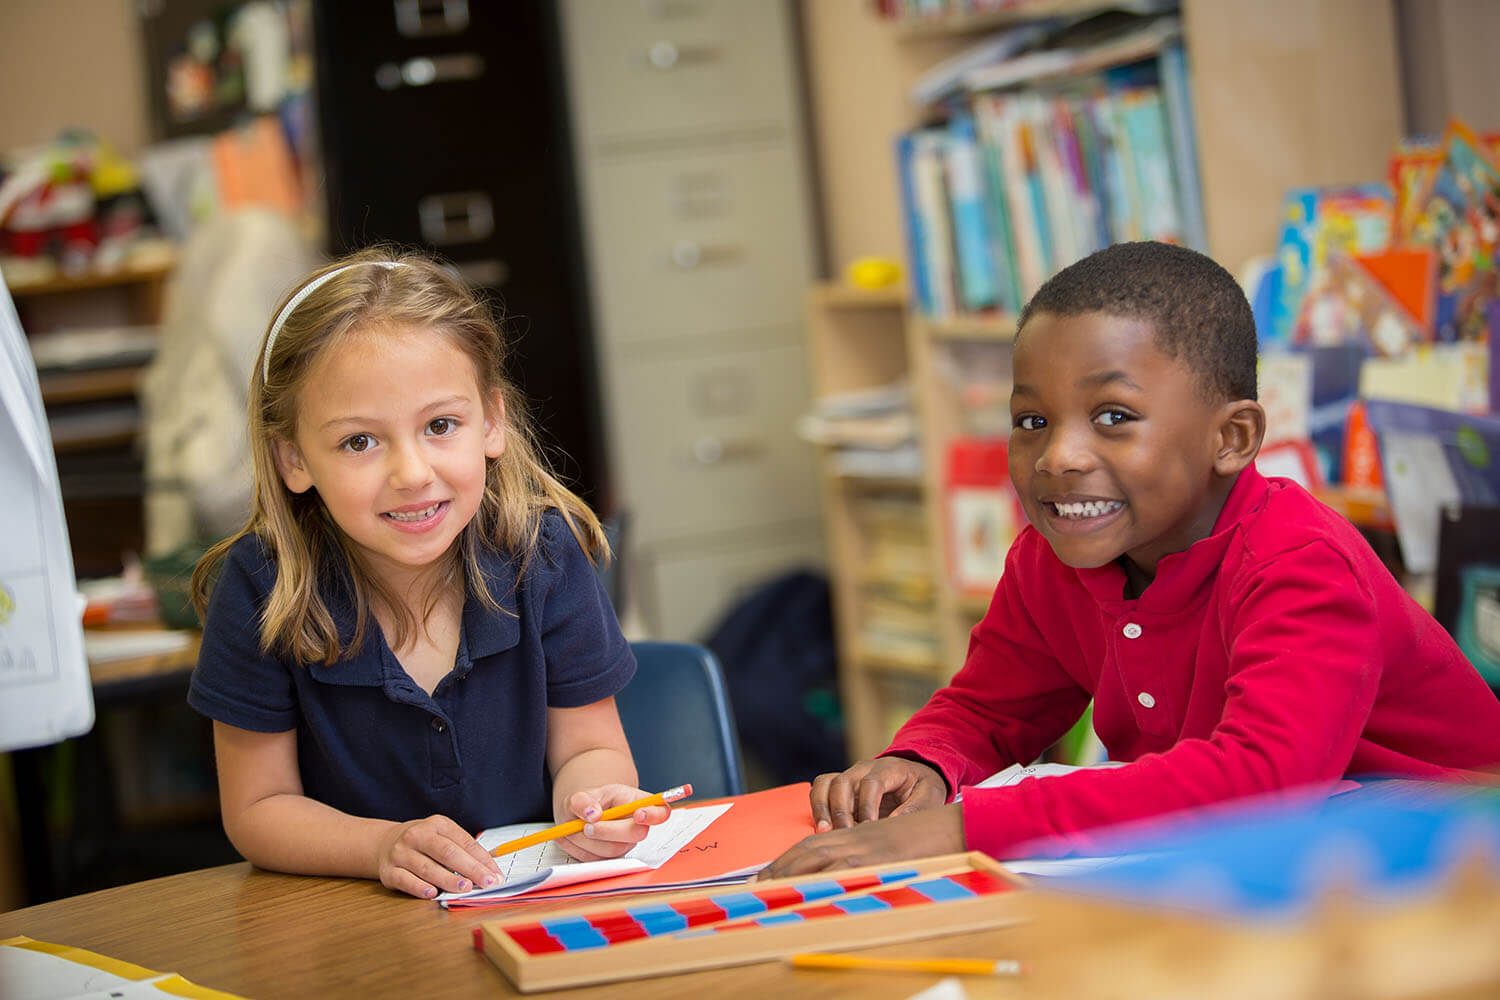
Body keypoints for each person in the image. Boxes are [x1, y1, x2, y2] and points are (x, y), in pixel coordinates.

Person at [763, 241, 1500, 878]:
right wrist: (924, 766)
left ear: (1233, 438)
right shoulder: (1053, 561)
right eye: (1031, 420)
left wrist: (960, 828)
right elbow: (990, 707)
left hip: (1446, 864)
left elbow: (1262, 779)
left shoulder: (1300, 565)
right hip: (1266, 861)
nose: (1059, 456)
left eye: (1113, 417)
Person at [187, 249, 664, 899]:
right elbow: (258, 809)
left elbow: (588, 747)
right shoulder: (257, 586)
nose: (411, 473)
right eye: (360, 441)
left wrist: (589, 806)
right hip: (351, 928)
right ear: (293, 457)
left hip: (527, 910)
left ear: (490, 422)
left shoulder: (544, 555)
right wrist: (381, 846)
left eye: (440, 425)